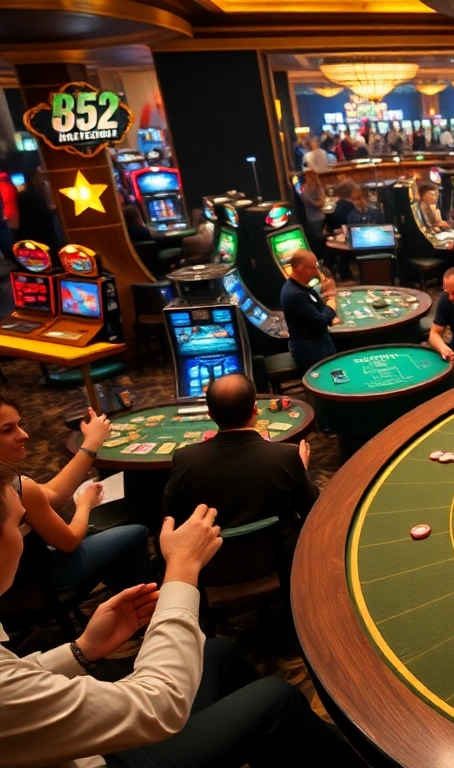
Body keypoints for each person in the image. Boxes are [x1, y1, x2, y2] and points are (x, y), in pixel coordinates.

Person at [0, 471, 362, 767]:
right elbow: (158, 706)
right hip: (100, 758)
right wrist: (182, 569)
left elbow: (17, 678)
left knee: (215, 653)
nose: (22, 538)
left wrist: (81, 651)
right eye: (18, 525)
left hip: (71, 741)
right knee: (276, 697)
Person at [0, 398, 150, 595]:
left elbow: (52, 494)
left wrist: (91, 443)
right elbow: (70, 542)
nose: (24, 435)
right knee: (136, 532)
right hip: (39, 582)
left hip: (9, 592)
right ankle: (136, 610)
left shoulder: (20, 487)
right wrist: (84, 505)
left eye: (20, 425)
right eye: (6, 430)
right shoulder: (13, 489)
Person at [162, 375, 317, 550]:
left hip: (212, 563)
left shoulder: (184, 459)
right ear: (255, 409)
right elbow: (314, 509)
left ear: (210, 414)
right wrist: (301, 470)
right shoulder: (286, 456)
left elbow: (172, 518)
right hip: (278, 556)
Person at [279, 250, 340, 373]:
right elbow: (320, 321)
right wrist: (331, 297)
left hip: (319, 343)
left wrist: (330, 315)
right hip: (310, 349)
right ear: (301, 268)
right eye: (313, 268)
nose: (316, 272)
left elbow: (319, 308)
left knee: (334, 378)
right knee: (323, 385)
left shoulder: (301, 287)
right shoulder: (295, 294)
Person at [299, 170, 327, 257]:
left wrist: (308, 199)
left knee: (319, 241)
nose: (305, 178)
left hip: (317, 218)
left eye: (307, 176)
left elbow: (321, 203)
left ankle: (323, 258)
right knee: (314, 241)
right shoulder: (306, 187)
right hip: (310, 218)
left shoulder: (318, 188)